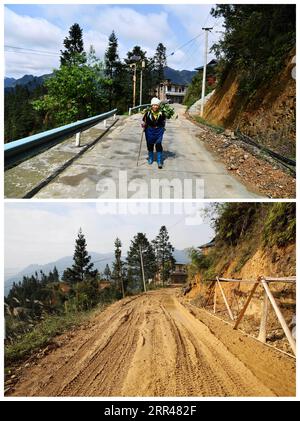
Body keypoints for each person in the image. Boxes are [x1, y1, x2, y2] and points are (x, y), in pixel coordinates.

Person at [142, 97, 166, 168]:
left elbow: (164, 122)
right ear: (151, 106)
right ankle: (151, 158)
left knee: (158, 144)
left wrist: (162, 128)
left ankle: (159, 161)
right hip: (149, 131)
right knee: (150, 144)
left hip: (158, 131)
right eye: (153, 105)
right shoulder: (148, 113)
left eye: (156, 105)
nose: (155, 106)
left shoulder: (162, 114)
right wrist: (143, 125)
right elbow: (144, 121)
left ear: (158, 106)